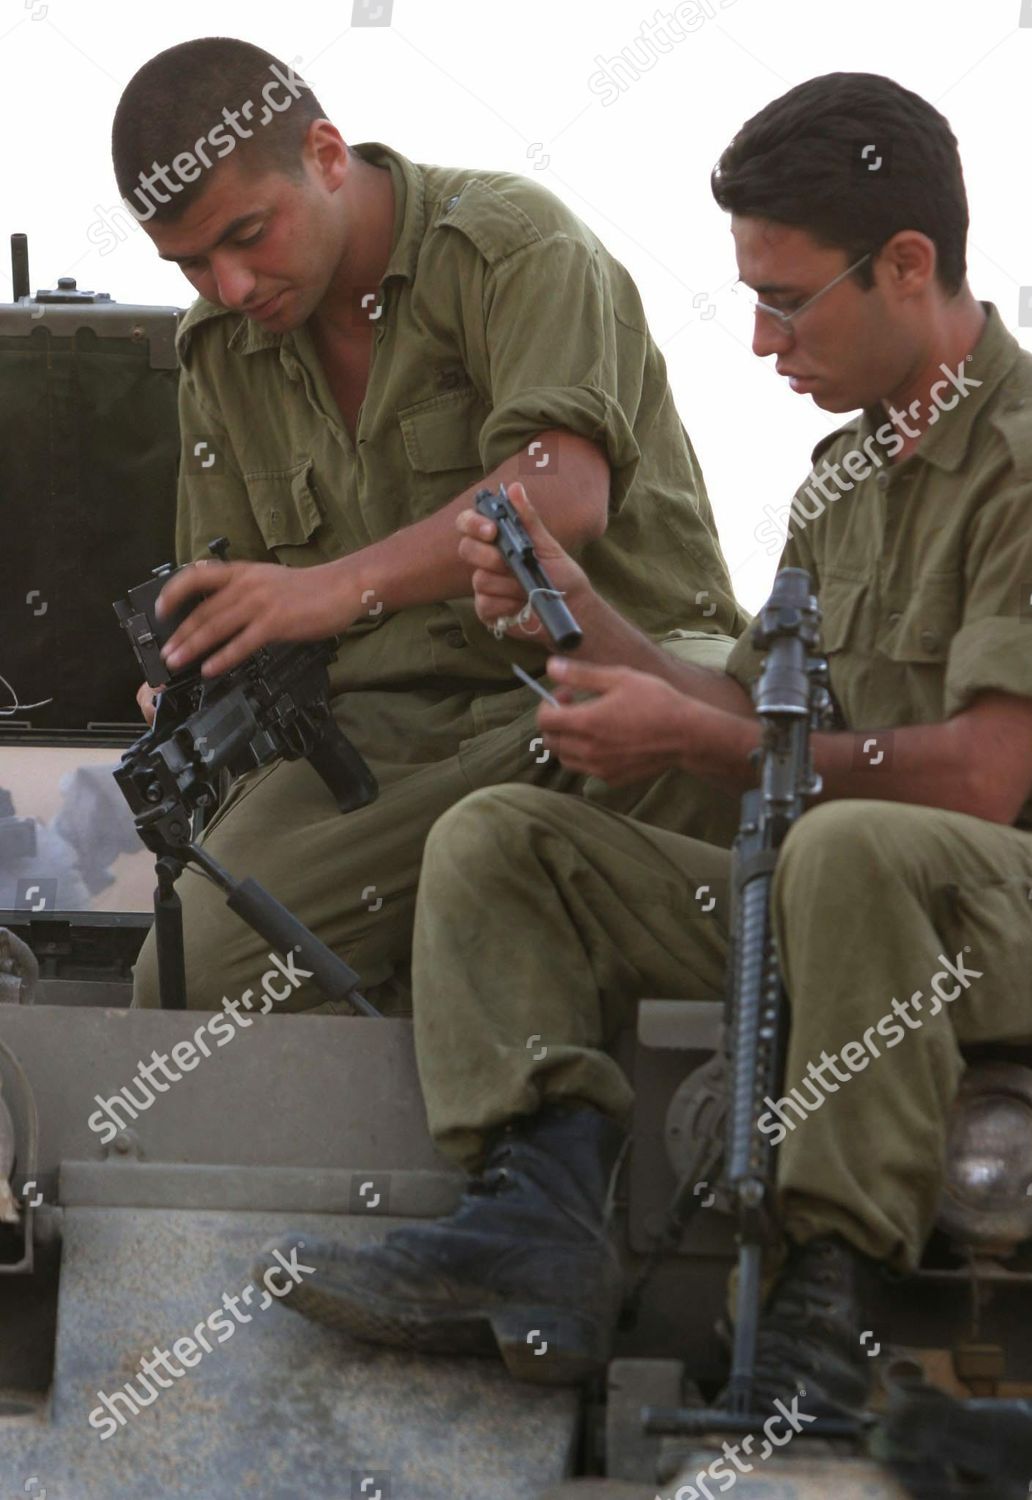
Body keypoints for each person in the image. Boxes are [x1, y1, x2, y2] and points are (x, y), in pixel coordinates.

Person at [258, 72, 1032, 1405]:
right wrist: (588, 630)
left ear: (908, 265)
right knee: (504, 841)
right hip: (836, 900)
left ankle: (831, 1298)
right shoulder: (840, 486)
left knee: (848, 851)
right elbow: (752, 719)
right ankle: (538, 1210)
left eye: (786, 298)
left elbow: (981, 783)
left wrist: (708, 752)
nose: (761, 341)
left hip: (1016, 914)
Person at [110, 36, 746, 1014]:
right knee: (191, 973)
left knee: (711, 773)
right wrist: (200, 682)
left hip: (611, 688)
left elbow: (560, 494)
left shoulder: (513, 246)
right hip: (384, 745)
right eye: (191, 262)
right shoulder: (219, 349)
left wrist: (329, 586)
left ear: (326, 155)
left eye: (248, 234)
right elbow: (235, 594)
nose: (229, 286)